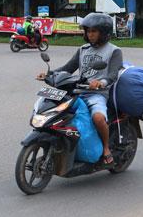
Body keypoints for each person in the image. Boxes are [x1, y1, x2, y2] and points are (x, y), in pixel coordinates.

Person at [36, 12, 122, 165]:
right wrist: (50, 74)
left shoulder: (114, 51)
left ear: (104, 33)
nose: (90, 34)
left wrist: (100, 82)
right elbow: (68, 68)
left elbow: (113, 75)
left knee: (98, 118)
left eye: (94, 31)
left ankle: (106, 148)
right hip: (77, 91)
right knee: (56, 113)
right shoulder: (83, 49)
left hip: (97, 94)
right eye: (88, 31)